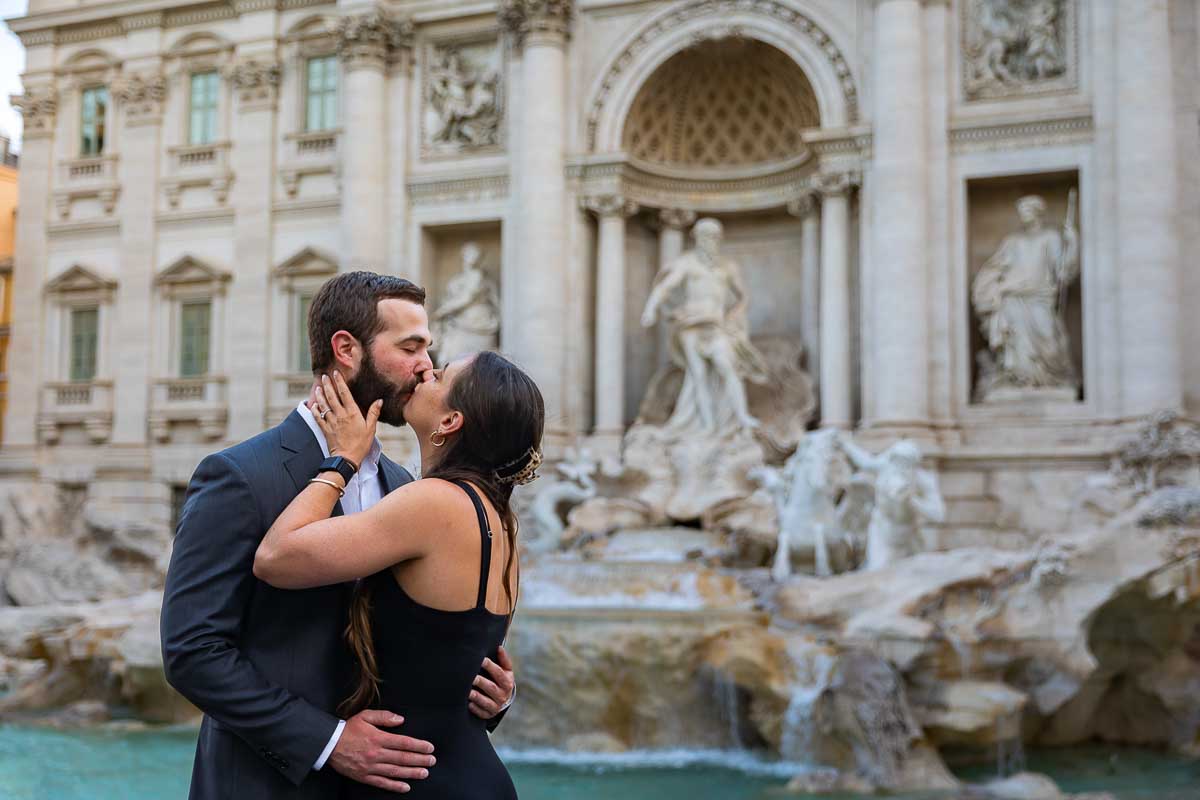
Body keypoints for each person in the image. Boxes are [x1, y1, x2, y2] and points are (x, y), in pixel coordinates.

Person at [161, 272, 516, 799]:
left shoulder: (406, 487)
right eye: (410, 347)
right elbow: (192, 650)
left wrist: (482, 690)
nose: (425, 366)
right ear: (346, 349)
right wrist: (327, 741)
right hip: (266, 785)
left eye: (428, 349)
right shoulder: (238, 475)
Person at [254, 350, 544, 799]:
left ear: (450, 421)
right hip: (465, 773)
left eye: (441, 376)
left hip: (416, 781)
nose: (426, 369)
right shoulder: (498, 517)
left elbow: (275, 557)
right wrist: (500, 699)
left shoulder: (433, 502)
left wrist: (343, 459)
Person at [640, 217, 768, 434]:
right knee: (697, 375)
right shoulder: (686, 263)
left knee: (727, 366)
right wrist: (650, 309)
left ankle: (742, 416)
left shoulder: (727, 267)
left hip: (715, 326)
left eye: (714, 236)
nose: (709, 240)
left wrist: (732, 317)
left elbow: (743, 296)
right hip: (690, 326)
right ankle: (708, 425)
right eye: (705, 236)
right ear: (696, 238)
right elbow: (664, 288)